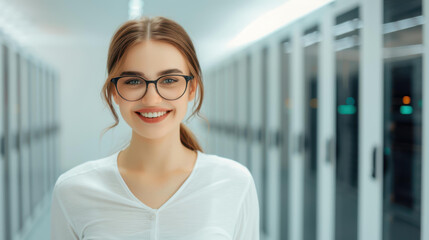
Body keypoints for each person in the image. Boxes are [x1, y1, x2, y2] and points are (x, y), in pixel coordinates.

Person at [50, 16, 260, 240]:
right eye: (133, 81)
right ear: (114, 91)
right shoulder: (73, 190)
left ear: (192, 88)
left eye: (169, 80)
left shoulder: (234, 183)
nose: (152, 99)